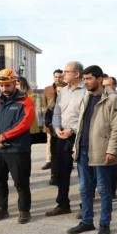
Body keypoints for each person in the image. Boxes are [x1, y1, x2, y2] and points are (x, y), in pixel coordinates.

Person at [68, 65, 117, 234]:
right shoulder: (86, 96)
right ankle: (87, 221)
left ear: (99, 79)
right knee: (85, 189)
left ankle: (104, 224)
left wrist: (111, 150)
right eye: (84, 79)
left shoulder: (113, 98)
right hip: (83, 150)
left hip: (101, 151)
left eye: (89, 79)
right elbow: (82, 124)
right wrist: (76, 147)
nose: (86, 82)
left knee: (104, 190)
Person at [0, 68, 36, 224]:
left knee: (21, 181)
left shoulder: (25, 101)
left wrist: (4, 136)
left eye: (8, 85)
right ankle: (1, 209)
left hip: (17, 149)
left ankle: (24, 210)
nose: (4, 89)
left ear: (14, 84)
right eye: (1, 85)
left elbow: (25, 123)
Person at [46, 61, 87, 217]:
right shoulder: (63, 92)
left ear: (77, 74)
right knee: (62, 173)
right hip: (62, 136)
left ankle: (85, 206)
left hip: (80, 137)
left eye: (66, 71)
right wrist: (57, 129)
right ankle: (63, 204)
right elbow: (56, 113)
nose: (63, 74)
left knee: (84, 174)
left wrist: (73, 130)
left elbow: (88, 117)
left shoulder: (86, 91)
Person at [42, 69, 66, 171]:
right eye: (56, 77)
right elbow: (44, 104)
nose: (57, 78)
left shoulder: (66, 88)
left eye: (60, 77)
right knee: (49, 141)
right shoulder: (47, 89)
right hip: (50, 120)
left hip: (64, 122)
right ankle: (49, 160)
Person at [102, 75, 117, 198]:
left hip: (114, 138)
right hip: (100, 140)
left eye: (109, 85)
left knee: (113, 167)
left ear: (115, 86)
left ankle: (112, 191)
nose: (106, 88)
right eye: (104, 86)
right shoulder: (99, 99)